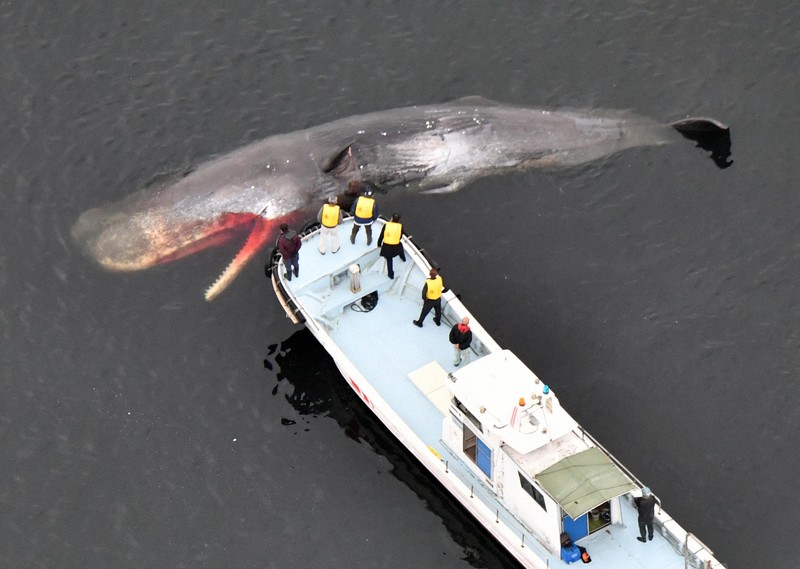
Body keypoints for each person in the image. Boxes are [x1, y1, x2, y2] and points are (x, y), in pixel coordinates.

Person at [376, 213, 406, 279]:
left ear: (391, 218)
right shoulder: (400, 226)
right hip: (396, 245)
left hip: (387, 246)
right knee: (401, 248)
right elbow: (401, 235)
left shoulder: (386, 225)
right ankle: (403, 258)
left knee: (389, 260)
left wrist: (379, 244)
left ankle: (391, 275)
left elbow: (382, 235)